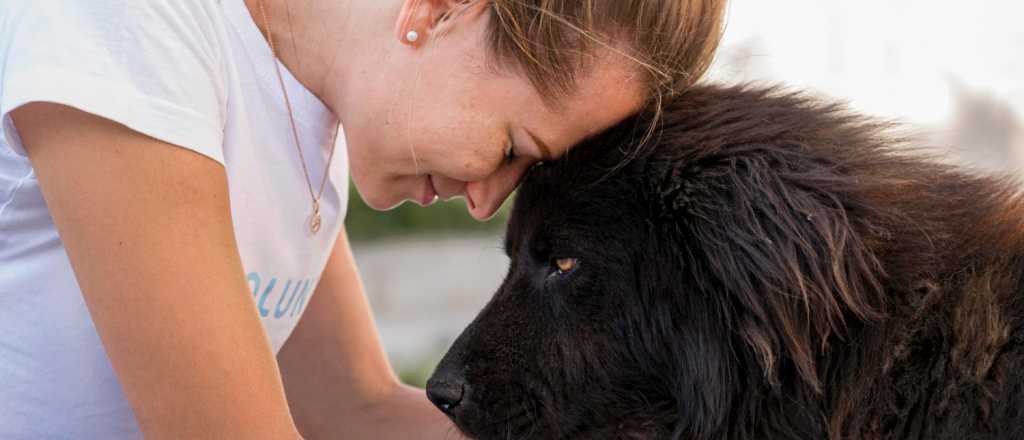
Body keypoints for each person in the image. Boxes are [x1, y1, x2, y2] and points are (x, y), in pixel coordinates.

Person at [0, 0, 726, 438]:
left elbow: (358, 411)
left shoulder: (313, 126)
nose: (485, 200)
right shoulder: (135, 25)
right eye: (511, 146)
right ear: (439, 9)